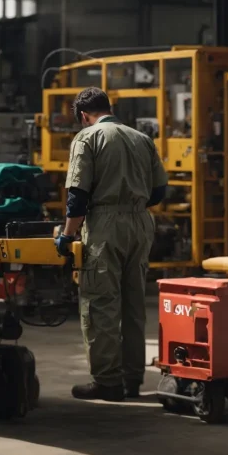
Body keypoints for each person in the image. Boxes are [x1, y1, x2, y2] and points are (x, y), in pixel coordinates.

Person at [54, 87, 168, 402]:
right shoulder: (141, 138)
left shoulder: (88, 138)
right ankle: (133, 380)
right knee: (134, 304)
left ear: (82, 115)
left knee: (101, 303)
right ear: (109, 107)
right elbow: (159, 191)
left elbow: (77, 196)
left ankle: (107, 381)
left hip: (105, 226)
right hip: (141, 223)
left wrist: (67, 235)